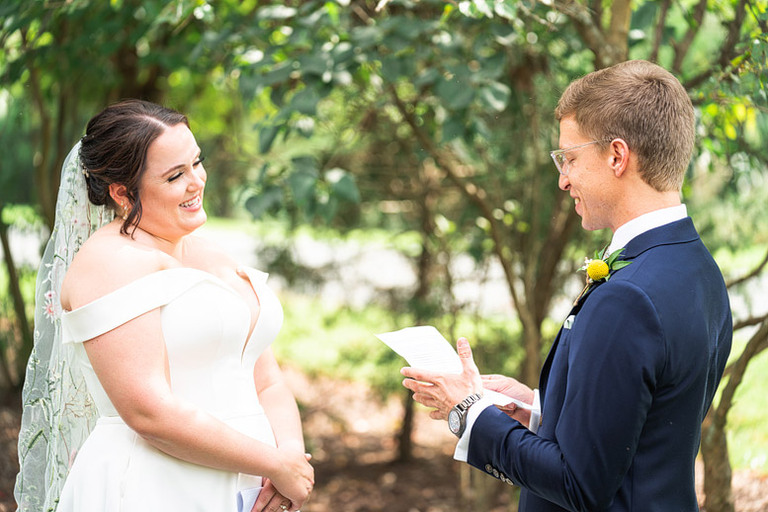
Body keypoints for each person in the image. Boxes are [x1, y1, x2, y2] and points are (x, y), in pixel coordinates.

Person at [401, 60, 732, 511]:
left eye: (570, 158)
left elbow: (580, 484)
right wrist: (539, 410)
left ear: (617, 156)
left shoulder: (628, 296)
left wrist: (469, 411)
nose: (563, 179)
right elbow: (647, 428)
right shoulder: (698, 268)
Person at [14, 99, 313, 512]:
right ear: (122, 192)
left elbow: (266, 380)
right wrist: (274, 463)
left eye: (196, 162)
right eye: (175, 175)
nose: (197, 181)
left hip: (251, 485)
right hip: (157, 486)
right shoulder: (109, 263)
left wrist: (291, 460)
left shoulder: (210, 251)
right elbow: (149, 412)